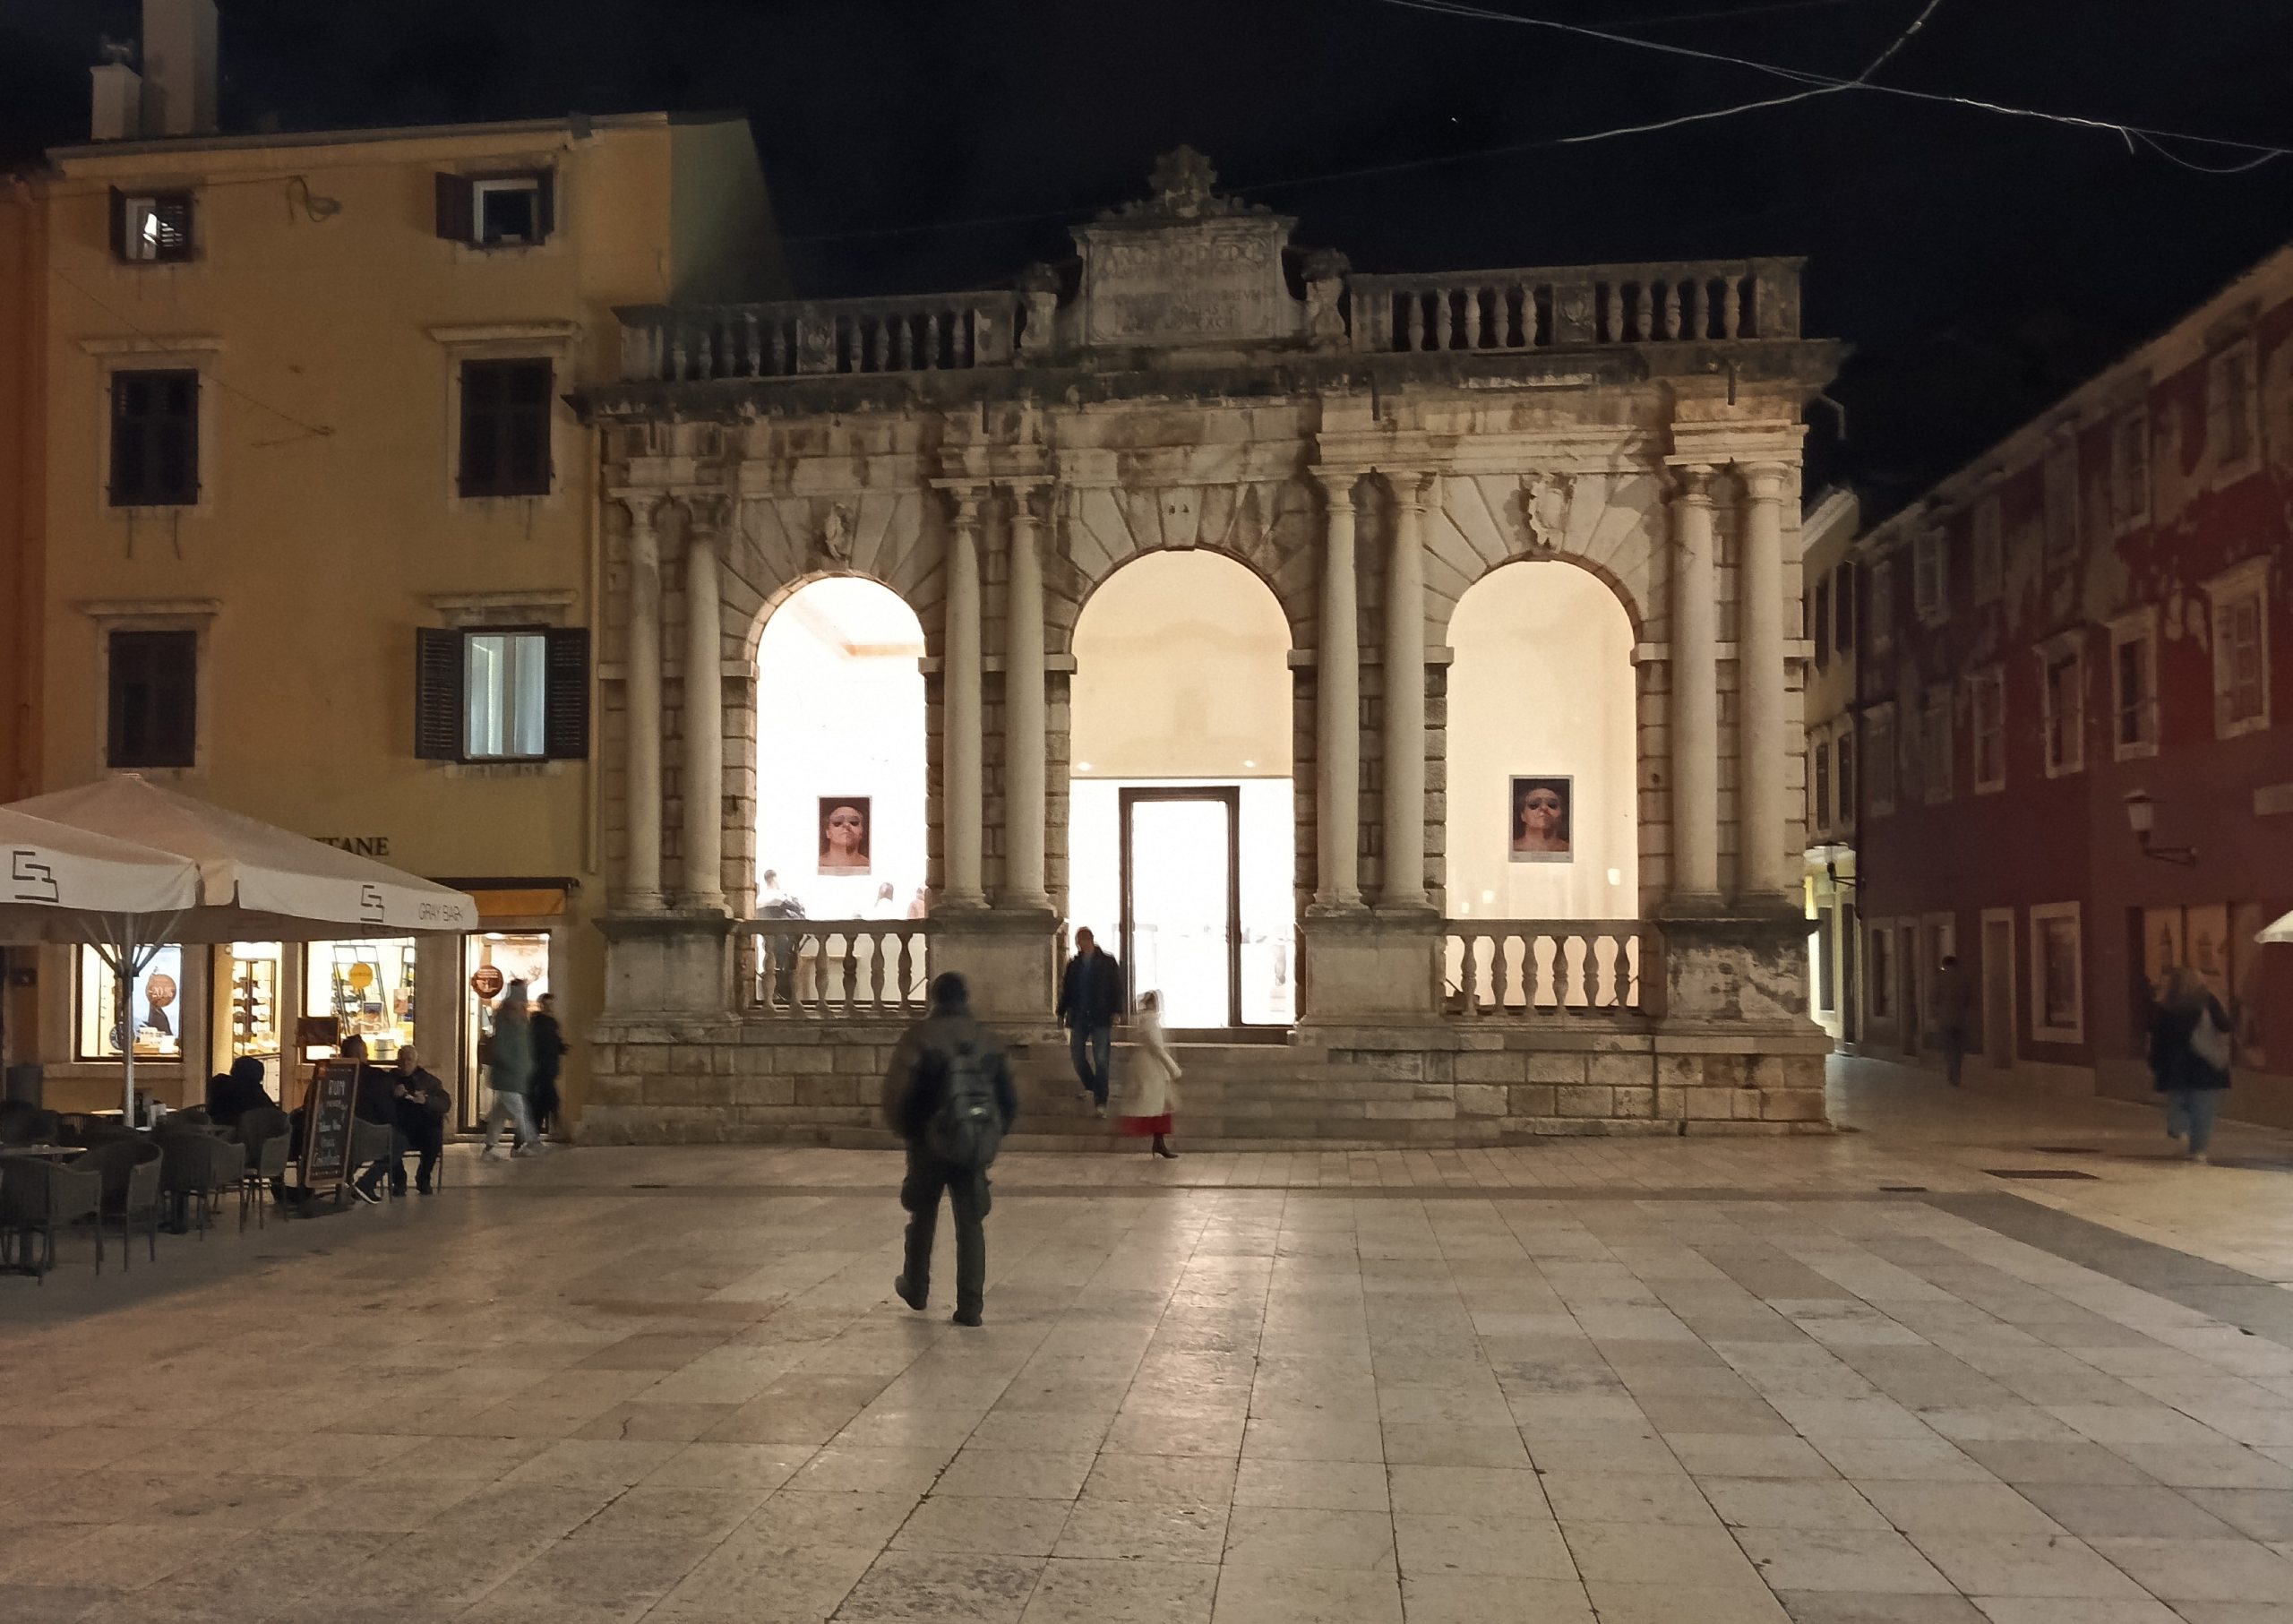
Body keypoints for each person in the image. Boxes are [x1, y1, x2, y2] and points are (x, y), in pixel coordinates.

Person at [880, 972, 1018, 1327]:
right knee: (971, 1224)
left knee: (922, 1217)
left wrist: (910, 1132)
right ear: (965, 998)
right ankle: (970, 1305)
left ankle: (916, 1287)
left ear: (935, 998)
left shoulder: (920, 1037)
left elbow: (897, 1094)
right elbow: (1008, 1098)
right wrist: (990, 1134)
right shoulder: (985, 1038)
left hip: (929, 1143)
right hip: (971, 1143)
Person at [2151, 965, 2232, 1164]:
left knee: (2177, 1104)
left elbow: (2158, 1039)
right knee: (2203, 1112)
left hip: (2175, 1066)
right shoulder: (2208, 1001)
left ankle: (2180, 1131)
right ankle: (2199, 1150)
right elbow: (2224, 1026)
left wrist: (2156, 1063)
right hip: (2206, 1066)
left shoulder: (2166, 1006)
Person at [355, 1047, 451, 1197]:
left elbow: (445, 1103)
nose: (406, 1063)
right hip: (398, 1125)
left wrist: (426, 1100)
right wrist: (392, 1093)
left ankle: (423, 1178)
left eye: (410, 1060)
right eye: (403, 1060)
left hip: (422, 1128)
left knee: (434, 1138)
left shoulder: (429, 1081)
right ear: (397, 1062)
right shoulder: (388, 1079)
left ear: (416, 1062)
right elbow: (378, 1103)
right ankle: (399, 1181)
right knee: (392, 1140)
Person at [1058, 927, 1124, 1116]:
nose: (1081, 945)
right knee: (1077, 1055)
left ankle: (1101, 1100)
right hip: (1079, 1015)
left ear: (1091, 940)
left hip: (1100, 1015)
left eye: (1083, 941)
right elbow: (1067, 991)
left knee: (1101, 1059)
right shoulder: (1074, 964)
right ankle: (1094, 1086)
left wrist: (1116, 1010)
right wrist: (1061, 1012)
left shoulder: (1107, 962)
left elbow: (1116, 987)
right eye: (1079, 942)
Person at [481, 982, 543, 1159]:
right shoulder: (506, 1019)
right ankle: (530, 1142)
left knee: (500, 1114)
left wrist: (527, 1065)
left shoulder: (519, 1019)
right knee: (519, 1111)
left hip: (515, 1076)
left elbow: (522, 1047)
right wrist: (517, 1066)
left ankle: (490, 1148)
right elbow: (502, 1048)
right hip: (508, 1076)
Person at [1120, 990, 1181, 1158]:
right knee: (1159, 1107)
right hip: (1153, 1069)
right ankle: (1159, 1143)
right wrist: (1172, 1068)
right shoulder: (1150, 1024)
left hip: (1150, 1068)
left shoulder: (1146, 1022)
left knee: (1160, 1107)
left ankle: (1159, 1143)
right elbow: (1157, 1049)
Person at [1930, 954, 1972, 1087]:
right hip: (1961, 1018)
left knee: (1948, 1046)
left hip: (1944, 1019)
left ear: (1944, 965)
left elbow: (1933, 998)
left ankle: (1951, 1070)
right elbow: (1969, 998)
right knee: (1959, 1047)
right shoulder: (1964, 979)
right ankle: (1957, 1070)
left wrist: (1935, 1013)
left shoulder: (1939, 979)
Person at [529, 993, 567, 1138]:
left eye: (551, 1004)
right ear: (542, 1005)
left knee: (544, 1103)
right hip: (543, 1068)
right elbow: (543, 1044)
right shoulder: (540, 1023)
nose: (550, 1007)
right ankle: (558, 1128)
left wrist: (561, 1047)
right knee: (549, 1101)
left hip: (547, 1068)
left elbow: (554, 1042)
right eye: (548, 1004)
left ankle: (533, 1135)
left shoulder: (548, 1023)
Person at [204, 1055, 273, 1127]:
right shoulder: (251, 1091)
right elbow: (271, 1111)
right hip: (240, 1128)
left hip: (215, 1126)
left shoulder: (220, 1083)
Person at [1511, 778, 1571, 856]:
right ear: (1523, 816)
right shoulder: (1512, 849)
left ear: (1561, 815)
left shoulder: (1570, 850)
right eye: (1534, 804)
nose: (1544, 808)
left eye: (1552, 804)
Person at [820, 801, 869, 874]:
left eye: (853, 822)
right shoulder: (815, 865)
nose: (846, 825)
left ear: (861, 832)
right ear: (828, 833)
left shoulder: (871, 865)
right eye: (838, 822)